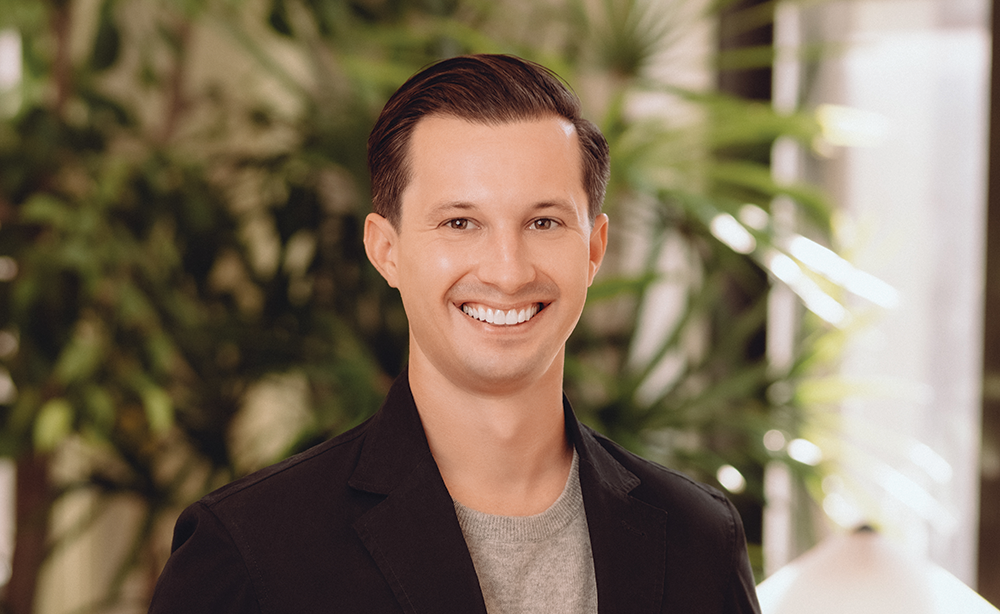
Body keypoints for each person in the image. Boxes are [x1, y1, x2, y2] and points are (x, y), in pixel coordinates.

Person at [148, 54, 761, 614]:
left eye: (544, 222)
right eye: (460, 222)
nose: (508, 271)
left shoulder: (698, 540)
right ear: (385, 250)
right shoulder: (251, 550)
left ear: (594, 249)